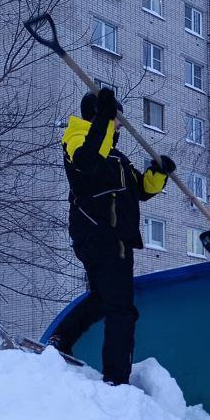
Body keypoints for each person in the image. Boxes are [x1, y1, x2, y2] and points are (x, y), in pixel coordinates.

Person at [48, 88, 174, 385]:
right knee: (122, 310)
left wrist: (158, 172)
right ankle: (117, 379)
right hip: (99, 233)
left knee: (104, 299)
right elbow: (87, 162)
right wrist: (105, 118)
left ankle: (61, 338)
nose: (120, 125)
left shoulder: (117, 157)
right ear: (100, 116)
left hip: (115, 236)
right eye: (117, 120)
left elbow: (141, 191)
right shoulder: (76, 136)